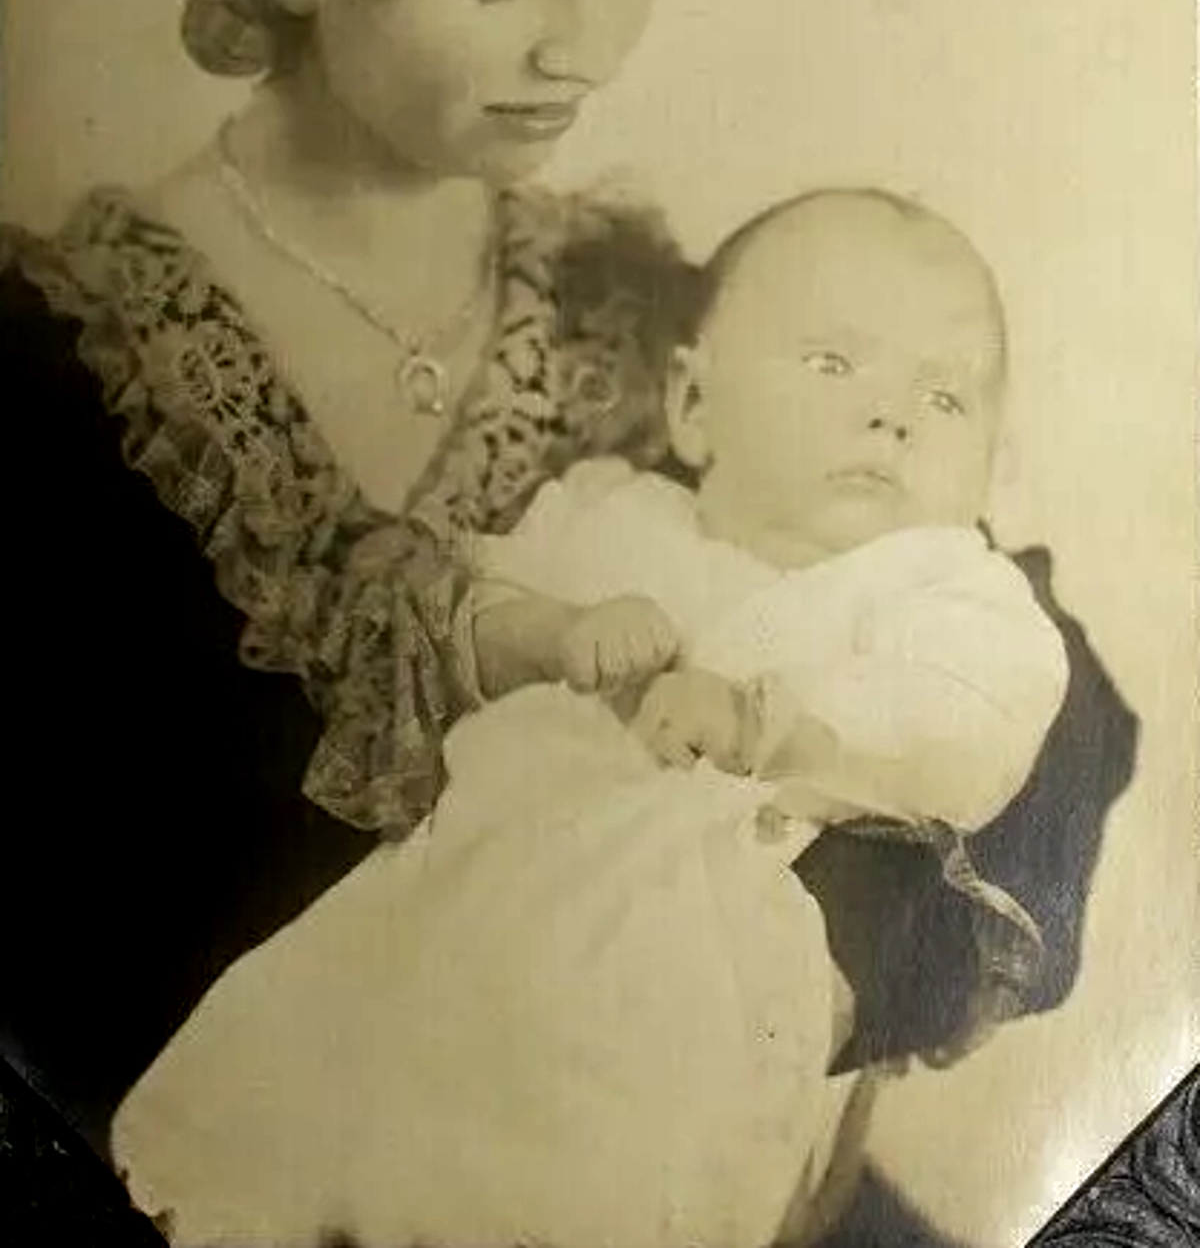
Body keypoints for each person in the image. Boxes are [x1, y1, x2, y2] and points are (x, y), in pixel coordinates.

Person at [0, 0, 1136, 1247]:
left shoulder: (643, 306)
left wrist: (808, 967)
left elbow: (1036, 683)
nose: (586, 44)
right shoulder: (50, 383)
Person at [110, 188, 1071, 1248]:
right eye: (833, 366)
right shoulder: (614, 513)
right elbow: (460, 629)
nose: (891, 415)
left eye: (946, 398)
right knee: (326, 1111)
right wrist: (558, 633)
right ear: (692, 407)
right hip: (471, 898)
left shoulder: (943, 591)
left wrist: (774, 725)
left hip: (697, 965)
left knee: (597, 1159)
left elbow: (963, 726)